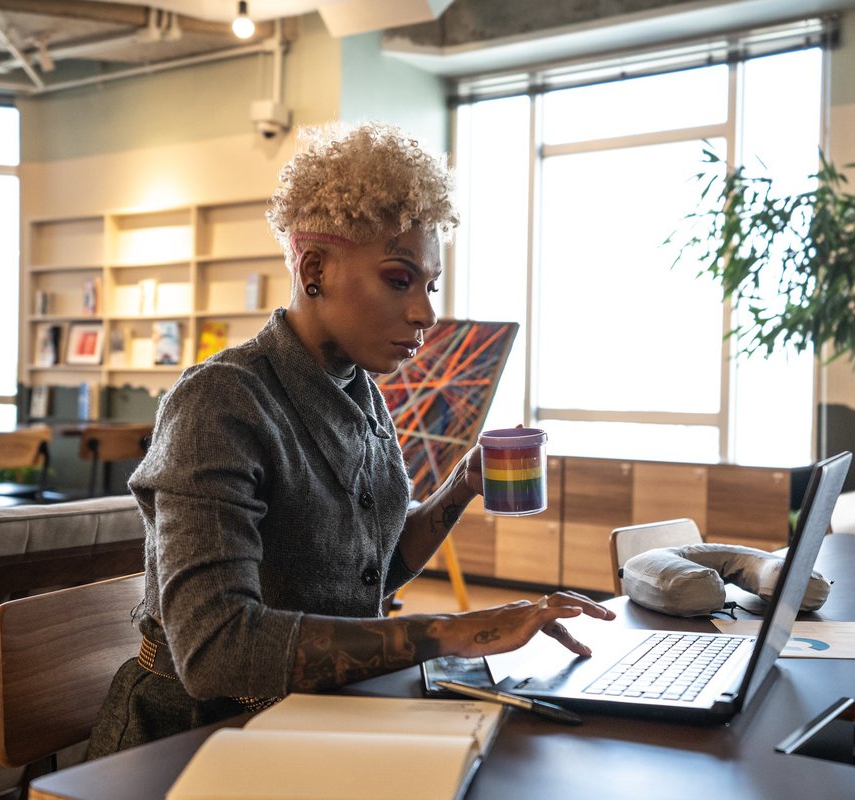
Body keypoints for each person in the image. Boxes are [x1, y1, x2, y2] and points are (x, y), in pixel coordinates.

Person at [87, 121, 615, 757]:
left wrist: (461, 488)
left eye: (430, 286)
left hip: (308, 717)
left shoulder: (360, 393)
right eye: (400, 279)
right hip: (193, 737)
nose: (425, 312)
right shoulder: (221, 402)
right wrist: (450, 632)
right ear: (314, 270)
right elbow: (217, 650)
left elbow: (364, 576)